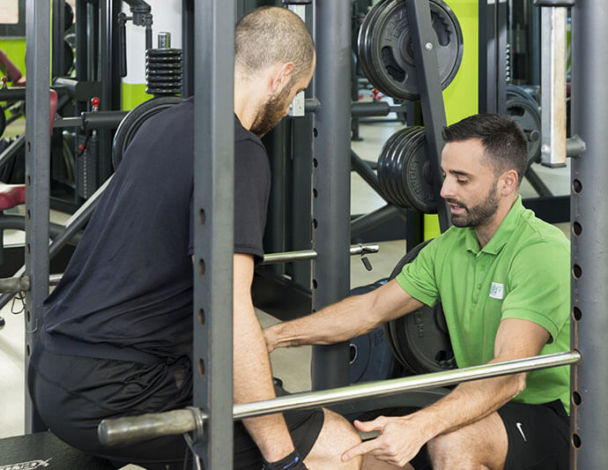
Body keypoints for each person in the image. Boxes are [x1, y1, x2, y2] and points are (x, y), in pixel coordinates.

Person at [28, 7, 362, 470]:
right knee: (340, 446)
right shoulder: (239, 151)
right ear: (281, 75)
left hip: (52, 366)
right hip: (118, 390)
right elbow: (229, 309)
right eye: (297, 92)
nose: (290, 109)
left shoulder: (164, 123)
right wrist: (282, 456)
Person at [265, 114, 571, 470]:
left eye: (462, 179)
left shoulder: (540, 252)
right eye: (445, 175)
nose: (445, 191)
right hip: (475, 400)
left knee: (452, 439)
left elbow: (509, 375)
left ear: (506, 183)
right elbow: (370, 309)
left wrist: (421, 425)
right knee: (353, 454)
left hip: (546, 414)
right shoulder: (450, 247)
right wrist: (273, 336)